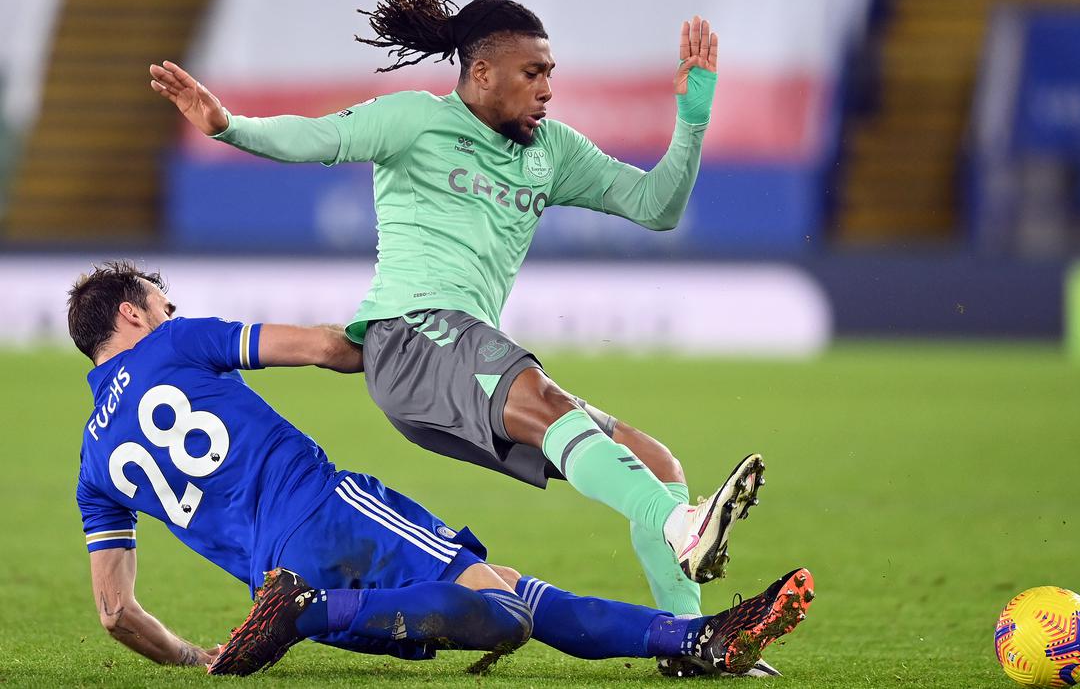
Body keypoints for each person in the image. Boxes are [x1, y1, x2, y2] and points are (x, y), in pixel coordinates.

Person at [148, 0, 757, 672]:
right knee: (545, 398)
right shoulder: (414, 119)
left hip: (455, 361)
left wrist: (692, 118)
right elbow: (316, 139)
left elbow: (655, 207)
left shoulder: (550, 151)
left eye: (551, 73)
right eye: (533, 73)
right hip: (412, 334)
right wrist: (228, 125)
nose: (547, 89)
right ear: (482, 72)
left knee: (656, 465)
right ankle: (683, 528)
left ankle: (690, 640)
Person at [70, 261, 813, 678]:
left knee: (506, 596)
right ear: (132, 315)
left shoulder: (93, 465)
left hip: (275, 575)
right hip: (331, 515)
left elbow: (115, 613)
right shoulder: (177, 344)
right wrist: (407, 353)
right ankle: (304, 613)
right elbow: (325, 349)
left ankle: (692, 639)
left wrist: (194, 658)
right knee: (505, 609)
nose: (171, 315)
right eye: (163, 306)